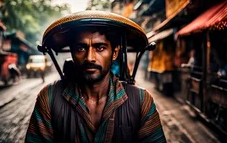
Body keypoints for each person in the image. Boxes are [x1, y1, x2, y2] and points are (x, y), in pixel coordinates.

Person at [25, 11, 166, 143]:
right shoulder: (49, 98)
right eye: (81, 48)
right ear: (73, 53)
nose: (90, 58)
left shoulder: (141, 100)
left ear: (115, 53)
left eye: (100, 48)